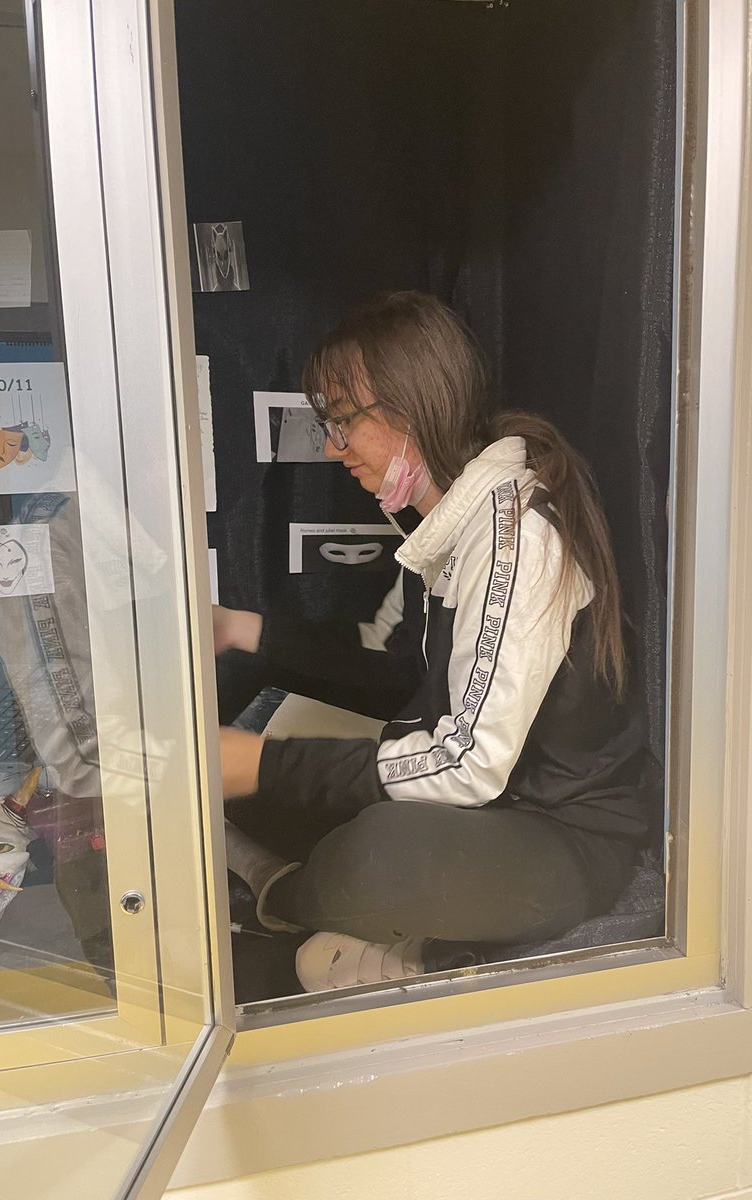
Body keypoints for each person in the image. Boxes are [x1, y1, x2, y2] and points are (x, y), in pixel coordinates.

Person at [216, 291, 646, 992]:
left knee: (377, 853)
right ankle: (343, 917)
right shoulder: (442, 525)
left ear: (411, 408)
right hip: (488, 811)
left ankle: (281, 897)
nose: (332, 447)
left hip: (561, 836)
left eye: (342, 421)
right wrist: (242, 631)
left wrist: (269, 766)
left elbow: (470, 764)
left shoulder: (516, 539)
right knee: (270, 752)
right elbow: (396, 678)